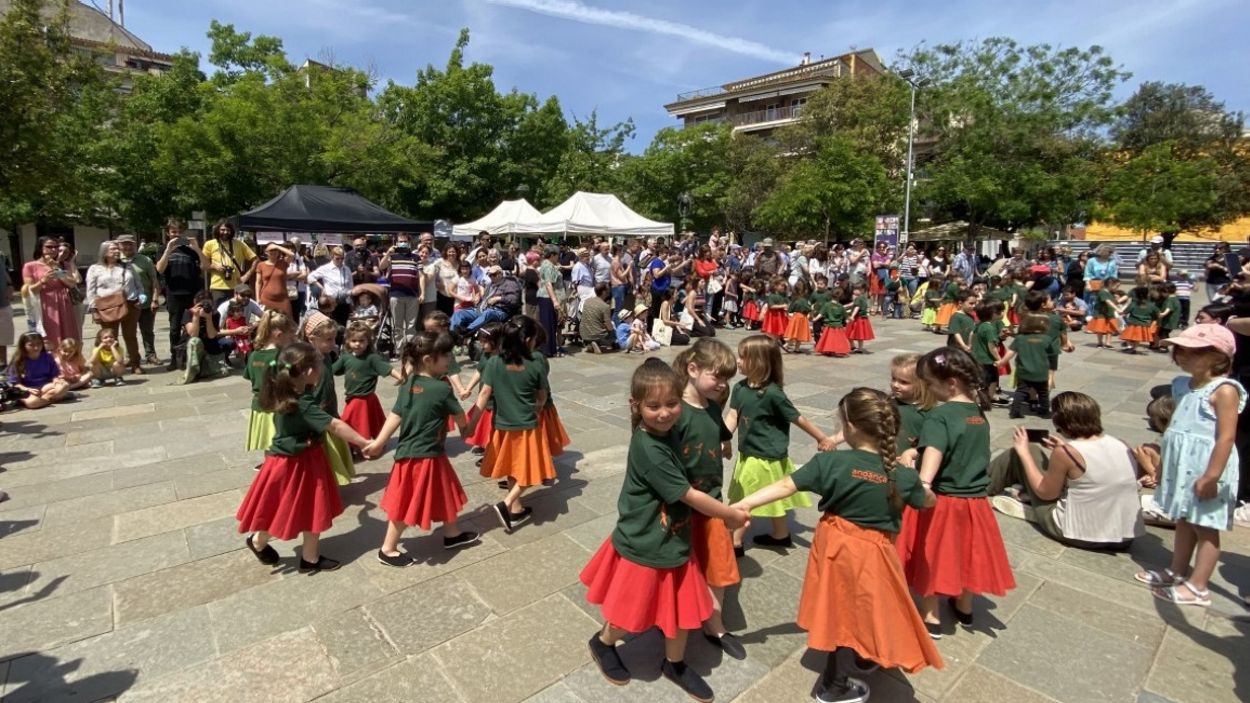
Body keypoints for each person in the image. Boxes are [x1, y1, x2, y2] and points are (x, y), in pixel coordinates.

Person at [733, 388, 943, 701]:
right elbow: (927, 502)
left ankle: (856, 659)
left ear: (851, 428)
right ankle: (834, 686)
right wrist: (923, 485)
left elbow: (785, 486)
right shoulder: (901, 475)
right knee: (859, 611)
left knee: (843, 607)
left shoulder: (831, 463)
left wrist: (743, 504)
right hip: (874, 551)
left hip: (834, 545)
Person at [580, 358, 750, 702]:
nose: (665, 413)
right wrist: (729, 515)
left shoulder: (670, 431)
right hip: (647, 542)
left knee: (682, 610)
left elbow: (700, 431)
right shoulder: (650, 449)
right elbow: (687, 494)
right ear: (636, 406)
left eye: (671, 404)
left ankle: (674, 663)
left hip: (674, 539)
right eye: (653, 406)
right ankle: (604, 641)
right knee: (631, 611)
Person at [895, 347, 1015, 637]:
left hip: (944, 499)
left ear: (950, 384)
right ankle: (964, 606)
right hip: (974, 501)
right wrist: (916, 449)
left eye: (931, 384)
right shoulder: (976, 413)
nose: (929, 390)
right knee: (965, 552)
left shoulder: (940, 415)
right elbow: (958, 446)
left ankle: (932, 614)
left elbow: (936, 450)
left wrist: (923, 484)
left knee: (933, 554)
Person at [237, 342, 372, 573]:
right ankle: (268, 544)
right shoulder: (303, 402)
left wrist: (364, 513)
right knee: (300, 507)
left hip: (297, 460)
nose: (322, 368)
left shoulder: (288, 391)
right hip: (295, 463)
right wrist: (365, 442)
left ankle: (300, 554)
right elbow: (335, 425)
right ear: (308, 371)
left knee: (305, 507)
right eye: (319, 365)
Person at [1135, 325, 1245, 606]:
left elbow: (1226, 436)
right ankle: (1177, 569)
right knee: (1184, 519)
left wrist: (1212, 475)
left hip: (1206, 465)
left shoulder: (1225, 390)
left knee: (1206, 526)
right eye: (1180, 350)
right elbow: (1175, 425)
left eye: (1193, 351)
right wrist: (1162, 467)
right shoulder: (1182, 385)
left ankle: (1198, 586)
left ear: (1217, 356)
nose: (1182, 355)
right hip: (1182, 464)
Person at [364, 332, 479, 567]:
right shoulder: (441, 389)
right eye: (445, 355)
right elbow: (461, 422)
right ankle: (387, 548)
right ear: (428, 359)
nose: (450, 358)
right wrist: (479, 407)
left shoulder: (408, 384)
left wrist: (378, 442)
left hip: (419, 454)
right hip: (423, 456)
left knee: (443, 491)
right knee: (406, 502)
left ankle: (452, 533)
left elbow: (396, 414)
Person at [989, 392, 1145, 549]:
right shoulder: (1122, 445)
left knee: (1027, 450)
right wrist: (1063, 449)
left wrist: (1023, 453)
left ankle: (986, 488)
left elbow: (1046, 493)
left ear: (1062, 423)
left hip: (1081, 534)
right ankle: (1024, 496)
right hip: (1124, 537)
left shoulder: (1067, 453)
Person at [671, 340, 746, 660]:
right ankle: (673, 615)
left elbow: (719, 433)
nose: (723, 384)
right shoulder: (674, 412)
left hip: (713, 501)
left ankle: (713, 623)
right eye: (717, 377)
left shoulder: (713, 407)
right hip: (681, 504)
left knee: (719, 565)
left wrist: (728, 441)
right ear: (692, 370)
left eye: (726, 378)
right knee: (680, 564)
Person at [726, 335, 834, 554]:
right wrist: (721, 436)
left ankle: (734, 543)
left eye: (744, 357)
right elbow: (733, 415)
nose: (738, 361)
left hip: (766, 456)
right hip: (748, 452)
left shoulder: (773, 394)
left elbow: (798, 418)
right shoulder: (739, 388)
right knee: (772, 495)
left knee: (744, 497)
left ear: (761, 362)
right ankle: (781, 534)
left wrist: (822, 438)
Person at [467, 316, 554, 532]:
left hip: (501, 425)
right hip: (526, 425)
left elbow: (484, 394)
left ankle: (515, 508)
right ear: (528, 341)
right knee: (533, 471)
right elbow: (542, 396)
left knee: (512, 466)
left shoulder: (495, 362)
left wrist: (470, 425)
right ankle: (507, 504)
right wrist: (537, 408)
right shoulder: (535, 363)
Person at [334, 322, 402, 449]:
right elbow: (332, 370)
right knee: (357, 423)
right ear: (348, 341)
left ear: (368, 342)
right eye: (354, 340)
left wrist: (401, 377)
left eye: (361, 341)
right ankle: (358, 444)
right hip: (352, 397)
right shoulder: (345, 358)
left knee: (354, 423)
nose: (357, 344)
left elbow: (387, 368)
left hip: (365, 398)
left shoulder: (372, 358)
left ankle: (363, 445)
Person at [155, 218, 208, 370]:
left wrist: (197, 248)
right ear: (168, 233)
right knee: (174, 328)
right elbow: (159, 269)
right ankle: (175, 357)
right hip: (174, 294)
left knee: (196, 325)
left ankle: (195, 355)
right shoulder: (162, 248)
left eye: (179, 232)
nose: (176, 235)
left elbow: (205, 266)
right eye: (173, 232)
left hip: (193, 293)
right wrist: (168, 249)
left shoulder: (191, 249)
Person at [244, 310, 298, 456]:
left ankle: (268, 467)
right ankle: (274, 472)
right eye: (290, 337)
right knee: (278, 444)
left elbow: (250, 377)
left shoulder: (253, 355)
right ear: (279, 335)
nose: (292, 341)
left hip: (259, 406)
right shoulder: (280, 356)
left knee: (268, 446)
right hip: (276, 407)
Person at [86, 241, 143, 375]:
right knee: (110, 338)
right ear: (104, 251)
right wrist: (94, 310)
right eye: (113, 249)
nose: (116, 251)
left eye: (117, 249)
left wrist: (141, 299)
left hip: (130, 304)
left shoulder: (127, 266)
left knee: (131, 336)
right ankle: (111, 366)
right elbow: (91, 291)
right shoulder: (95, 269)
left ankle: (135, 363)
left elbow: (138, 284)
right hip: (107, 307)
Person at [21, 237, 81, 350]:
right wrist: (43, 281)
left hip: (64, 302)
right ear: (40, 248)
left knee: (68, 333)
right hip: (45, 303)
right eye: (49, 247)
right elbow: (30, 290)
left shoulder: (64, 264)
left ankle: (67, 362)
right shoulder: (30, 266)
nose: (53, 249)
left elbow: (72, 283)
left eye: (56, 247)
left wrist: (56, 268)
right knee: (51, 334)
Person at [116, 235, 161, 366]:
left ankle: (150, 355)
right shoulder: (116, 261)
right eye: (124, 244)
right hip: (126, 304)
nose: (128, 247)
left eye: (130, 244)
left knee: (147, 331)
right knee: (129, 333)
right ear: (119, 245)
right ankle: (131, 356)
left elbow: (154, 281)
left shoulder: (144, 260)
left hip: (145, 302)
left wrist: (155, 299)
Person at [1008, 314, 1057, 419]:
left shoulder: (1020, 338)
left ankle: (1014, 411)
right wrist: (1051, 370)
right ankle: (1044, 410)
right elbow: (1052, 355)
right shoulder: (1047, 339)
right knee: (1043, 393)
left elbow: (1011, 352)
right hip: (1041, 372)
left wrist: (1001, 362)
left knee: (1020, 391)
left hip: (1024, 372)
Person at [178, 290, 230, 384]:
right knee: (195, 341)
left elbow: (212, 335)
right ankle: (193, 369)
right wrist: (196, 317)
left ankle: (202, 370)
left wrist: (208, 318)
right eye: (202, 304)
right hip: (192, 349)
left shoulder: (214, 314)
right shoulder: (188, 312)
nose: (204, 307)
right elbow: (193, 334)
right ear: (195, 302)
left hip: (209, 347)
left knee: (224, 372)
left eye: (208, 304)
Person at [380, 233, 423, 347]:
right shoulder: (392, 257)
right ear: (396, 243)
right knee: (397, 326)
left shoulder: (416, 257)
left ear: (409, 243)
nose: (402, 243)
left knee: (411, 326)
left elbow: (421, 276)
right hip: (395, 295)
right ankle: (399, 349)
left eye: (405, 241)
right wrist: (388, 253)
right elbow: (381, 266)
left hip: (412, 295)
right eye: (400, 241)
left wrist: (421, 293)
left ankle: (410, 350)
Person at [7, 332, 71, 409]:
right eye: (31, 345)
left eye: (39, 344)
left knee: (65, 385)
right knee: (32, 403)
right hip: (27, 389)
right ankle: (52, 398)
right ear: (23, 346)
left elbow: (54, 375)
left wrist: (56, 380)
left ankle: (43, 400)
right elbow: (16, 384)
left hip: (45, 386)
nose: (36, 347)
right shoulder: (18, 361)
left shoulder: (48, 357)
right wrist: (27, 389)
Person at [203, 220, 257, 306]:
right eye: (223, 230)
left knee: (237, 314)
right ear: (217, 230)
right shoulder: (210, 244)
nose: (225, 232)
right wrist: (214, 266)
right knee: (219, 315)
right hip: (218, 287)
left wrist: (247, 275)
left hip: (237, 287)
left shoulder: (239, 244)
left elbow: (256, 259)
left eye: (228, 230)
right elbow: (203, 266)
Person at [307, 247, 354, 326]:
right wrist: (322, 288)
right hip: (331, 301)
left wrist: (351, 300)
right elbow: (310, 277)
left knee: (343, 325)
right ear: (332, 257)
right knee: (331, 324)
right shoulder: (326, 268)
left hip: (344, 301)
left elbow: (350, 285)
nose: (340, 261)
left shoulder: (346, 269)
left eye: (342, 258)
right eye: (337, 258)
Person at [536, 247, 563, 357]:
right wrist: (555, 301)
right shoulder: (548, 265)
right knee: (548, 325)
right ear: (552, 255)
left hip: (546, 297)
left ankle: (551, 349)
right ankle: (547, 350)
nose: (558, 257)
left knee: (551, 324)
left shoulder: (548, 264)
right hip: (547, 298)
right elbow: (548, 283)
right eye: (558, 255)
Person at [255, 243, 294, 318]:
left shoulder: (283, 263)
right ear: (266, 252)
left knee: (286, 322)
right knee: (267, 323)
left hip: (283, 299)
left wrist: (277, 246)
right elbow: (258, 282)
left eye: (276, 250)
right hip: (266, 299)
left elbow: (292, 254)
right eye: (271, 250)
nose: (273, 252)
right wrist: (257, 298)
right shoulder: (261, 265)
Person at [580, 282, 616, 353]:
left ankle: (590, 343)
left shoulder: (587, 301)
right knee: (612, 326)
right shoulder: (605, 306)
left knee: (596, 324)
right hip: (596, 334)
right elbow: (609, 326)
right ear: (603, 292)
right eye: (607, 290)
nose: (608, 292)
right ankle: (605, 343)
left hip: (583, 333)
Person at [1088, 277, 1123, 350]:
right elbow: (1108, 301)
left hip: (1110, 313)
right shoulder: (1103, 292)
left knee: (1110, 328)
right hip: (1101, 314)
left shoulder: (1111, 293)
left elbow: (1113, 302)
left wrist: (1118, 301)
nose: (1117, 288)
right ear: (1110, 284)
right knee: (1100, 329)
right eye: (1116, 286)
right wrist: (1117, 309)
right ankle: (1100, 342)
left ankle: (1108, 343)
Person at [813, 293, 851, 357]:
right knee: (837, 340)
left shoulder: (827, 305)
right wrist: (848, 322)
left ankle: (828, 350)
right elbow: (846, 318)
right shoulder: (841, 306)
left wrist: (815, 319)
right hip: (838, 326)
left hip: (829, 326)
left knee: (828, 340)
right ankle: (837, 350)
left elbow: (821, 314)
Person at [783, 281, 813, 354]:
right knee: (800, 334)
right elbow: (809, 309)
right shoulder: (804, 301)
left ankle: (788, 345)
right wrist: (811, 308)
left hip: (795, 317)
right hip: (802, 317)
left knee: (794, 333)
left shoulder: (794, 300)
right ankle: (795, 348)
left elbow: (790, 309)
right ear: (804, 290)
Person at [846, 284, 875, 354]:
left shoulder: (859, 298)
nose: (855, 291)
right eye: (855, 289)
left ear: (862, 290)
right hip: (862, 319)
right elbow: (853, 304)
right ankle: (858, 347)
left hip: (859, 319)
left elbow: (857, 307)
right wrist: (844, 306)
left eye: (857, 289)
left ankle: (856, 347)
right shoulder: (862, 298)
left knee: (854, 333)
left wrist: (852, 316)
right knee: (856, 334)